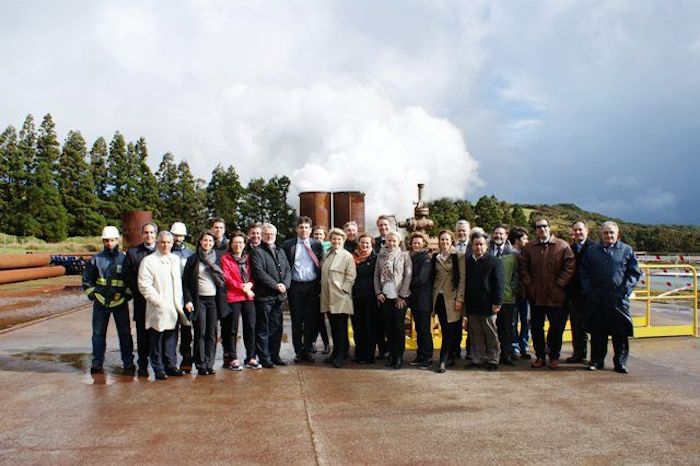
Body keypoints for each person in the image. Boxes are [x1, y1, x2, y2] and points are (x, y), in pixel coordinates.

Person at [580, 222, 642, 374]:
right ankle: (596, 360)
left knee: (619, 333)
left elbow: (634, 273)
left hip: (617, 299)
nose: (609, 235)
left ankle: (620, 363)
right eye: (606, 233)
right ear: (600, 234)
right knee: (597, 332)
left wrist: (624, 291)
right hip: (597, 297)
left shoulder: (626, 250)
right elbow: (584, 272)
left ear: (617, 234)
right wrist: (589, 291)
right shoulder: (592, 250)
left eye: (611, 233)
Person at [520, 218, 575, 369]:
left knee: (556, 327)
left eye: (544, 226)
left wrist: (559, 285)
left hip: (556, 295)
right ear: (535, 230)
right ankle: (540, 356)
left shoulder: (562, 246)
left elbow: (569, 266)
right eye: (538, 227)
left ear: (549, 228)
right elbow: (523, 267)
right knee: (536, 327)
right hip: (536, 295)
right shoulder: (529, 247)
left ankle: (554, 356)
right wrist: (529, 284)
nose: (541, 229)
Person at [138, 231, 190, 380]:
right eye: (162, 242)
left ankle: (171, 365)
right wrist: (158, 301)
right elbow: (144, 284)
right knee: (157, 339)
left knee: (171, 338)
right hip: (158, 306)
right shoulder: (149, 261)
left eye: (168, 242)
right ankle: (158, 367)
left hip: (174, 306)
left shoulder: (175, 259)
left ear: (172, 243)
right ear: (157, 242)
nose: (165, 245)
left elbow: (182, 281)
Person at [82, 226, 134, 374]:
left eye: (112, 240)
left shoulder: (124, 259)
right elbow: (87, 281)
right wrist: (94, 295)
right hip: (100, 303)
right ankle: (97, 363)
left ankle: (128, 362)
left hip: (120, 303)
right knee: (98, 334)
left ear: (117, 240)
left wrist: (126, 296)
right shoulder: (96, 260)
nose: (109, 243)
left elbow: (130, 281)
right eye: (106, 241)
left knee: (124, 333)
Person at [182, 231, 227, 375]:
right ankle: (201, 364)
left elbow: (224, 279)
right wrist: (188, 300)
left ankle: (209, 363)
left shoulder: (218, 259)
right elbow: (186, 283)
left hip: (213, 300)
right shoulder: (193, 259)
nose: (207, 243)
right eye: (205, 240)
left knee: (212, 333)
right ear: (200, 242)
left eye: (210, 241)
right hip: (198, 300)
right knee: (200, 332)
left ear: (214, 243)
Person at [282, 217, 324, 363]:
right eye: (301, 227)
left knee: (310, 320)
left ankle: (307, 350)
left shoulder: (317, 245)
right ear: (296, 229)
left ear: (310, 230)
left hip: (312, 287)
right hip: (295, 287)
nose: (304, 230)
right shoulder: (288, 245)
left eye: (306, 227)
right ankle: (298, 352)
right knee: (297, 320)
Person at [251, 223, 292, 368]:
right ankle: (265, 357)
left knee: (277, 328)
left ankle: (275, 355)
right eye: (266, 234)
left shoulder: (280, 250)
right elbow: (259, 272)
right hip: (264, 297)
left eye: (272, 234)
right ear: (262, 235)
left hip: (278, 298)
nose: (269, 237)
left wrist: (285, 285)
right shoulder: (257, 252)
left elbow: (287, 269)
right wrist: (276, 285)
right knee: (263, 329)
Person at [465, 231, 505, 371]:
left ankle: (493, 359)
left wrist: (497, 303)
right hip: (472, 304)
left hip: (489, 304)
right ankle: (477, 359)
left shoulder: (494, 261)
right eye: (476, 244)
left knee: (490, 334)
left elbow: (500, 284)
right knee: (475, 334)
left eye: (481, 244)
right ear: (472, 245)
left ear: (486, 246)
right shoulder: (467, 262)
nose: (478, 247)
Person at [221, 231, 260, 370]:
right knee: (232, 329)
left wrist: (250, 284)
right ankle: (233, 358)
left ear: (245, 244)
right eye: (235, 242)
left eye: (240, 242)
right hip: (233, 296)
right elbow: (227, 278)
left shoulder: (249, 258)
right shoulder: (225, 259)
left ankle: (251, 357)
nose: (238, 245)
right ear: (231, 244)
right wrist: (243, 287)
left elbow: (254, 274)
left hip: (248, 296)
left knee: (250, 327)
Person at [123, 222, 158, 377]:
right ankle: (142, 365)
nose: (149, 235)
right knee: (142, 335)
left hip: (158, 301)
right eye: (146, 232)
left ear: (156, 234)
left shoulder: (162, 251)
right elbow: (128, 276)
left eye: (152, 232)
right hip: (141, 300)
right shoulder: (133, 253)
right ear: (142, 234)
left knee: (157, 333)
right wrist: (143, 292)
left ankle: (158, 364)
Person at [374, 232, 412, 369]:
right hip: (385, 297)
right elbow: (376, 275)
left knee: (399, 327)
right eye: (389, 241)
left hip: (399, 298)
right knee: (388, 328)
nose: (391, 243)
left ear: (399, 241)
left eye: (394, 241)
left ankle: (399, 356)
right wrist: (378, 292)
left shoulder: (404, 256)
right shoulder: (381, 255)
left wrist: (402, 296)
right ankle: (391, 354)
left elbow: (408, 275)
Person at [320, 228, 357, 368]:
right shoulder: (328, 254)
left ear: (343, 240)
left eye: (339, 239)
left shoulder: (347, 256)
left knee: (341, 327)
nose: (336, 241)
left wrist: (343, 290)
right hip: (328, 297)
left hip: (340, 297)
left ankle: (341, 355)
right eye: (334, 239)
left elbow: (351, 276)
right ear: (330, 240)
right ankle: (335, 353)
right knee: (334, 327)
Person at [431, 230, 465, 373]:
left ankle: (443, 360)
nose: (444, 242)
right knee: (445, 328)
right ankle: (448, 356)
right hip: (438, 297)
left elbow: (463, 278)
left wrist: (460, 298)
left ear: (452, 240)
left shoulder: (458, 256)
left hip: (452, 298)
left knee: (451, 330)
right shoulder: (435, 256)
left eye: (447, 240)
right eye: (442, 240)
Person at [565, 221, 594, 364]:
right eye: (575, 230)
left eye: (580, 230)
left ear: (587, 231)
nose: (577, 233)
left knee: (594, 326)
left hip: (591, 293)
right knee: (576, 325)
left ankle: (595, 356)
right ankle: (579, 352)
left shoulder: (594, 248)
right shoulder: (569, 248)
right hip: (575, 294)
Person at [171, 221, 195, 373]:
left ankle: (186, 357)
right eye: (175, 235)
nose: (178, 238)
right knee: (171, 329)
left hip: (185, 295)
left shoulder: (190, 254)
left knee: (186, 328)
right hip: (170, 295)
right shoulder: (165, 250)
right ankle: (171, 359)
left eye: (180, 235)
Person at [407, 232, 433, 369]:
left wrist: (405, 282)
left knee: (424, 330)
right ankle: (420, 355)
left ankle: (427, 357)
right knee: (419, 329)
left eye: (419, 243)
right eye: (414, 243)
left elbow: (422, 279)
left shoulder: (426, 259)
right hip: (415, 300)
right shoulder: (412, 257)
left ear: (423, 244)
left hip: (424, 300)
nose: (416, 245)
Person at [351, 233, 378, 364]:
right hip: (356, 297)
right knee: (357, 327)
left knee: (370, 326)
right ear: (358, 243)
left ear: (371, 244)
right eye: (362, 243)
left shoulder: (376, 258)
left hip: (371, 298)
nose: (365, 245)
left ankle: (369, 355)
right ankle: (359, 353)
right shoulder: (353, 257)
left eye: (367, 243)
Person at [496, 227, 518, 366]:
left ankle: (507, 354)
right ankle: (493, 354)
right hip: (492, 298)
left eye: (501, 233)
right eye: (496, 233)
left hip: (508, 297)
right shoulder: (488, 250)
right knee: (493, 327)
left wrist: (512, 289)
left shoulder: (513, 253)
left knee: (507, 327)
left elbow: (517, 274)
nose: (498, 236)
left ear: (506, 236)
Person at [508, 227, 531, 359]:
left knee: (526, 321)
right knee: (513, 322)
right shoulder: (509, 254)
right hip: (513, 294)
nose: (527, 240)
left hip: (526, 294)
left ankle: (524, 346)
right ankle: (515, 346)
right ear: (517, 240)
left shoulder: (526, 253)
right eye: (524, 238)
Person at [311, 225, 332, 355]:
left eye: (321, 234)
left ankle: (326, 343)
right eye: (316, 235)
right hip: (313, 286)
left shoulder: (329, 250)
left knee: (327, 317)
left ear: (325, 236)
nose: (318, 237)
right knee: (316, 317)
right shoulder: (311, 249)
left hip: (326, 286)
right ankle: (317, 343)